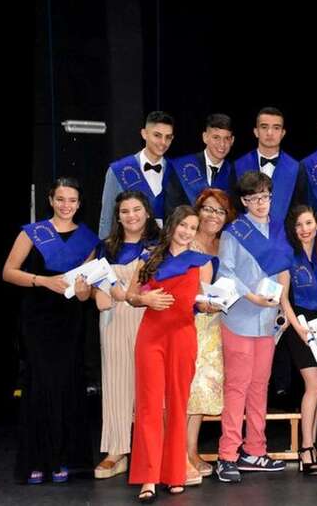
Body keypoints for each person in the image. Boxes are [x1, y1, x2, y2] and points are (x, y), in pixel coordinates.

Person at [3, 177, 99, 484]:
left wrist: (84, 289)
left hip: (70, 320)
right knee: (40, 386)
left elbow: (86, 295)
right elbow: (8, 272)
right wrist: (43, 281)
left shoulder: (87, 238)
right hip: (38, 318)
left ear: (79, 204)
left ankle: (63, 460)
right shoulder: (33, 232)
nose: (66, 205)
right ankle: (37, 460)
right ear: (50, 200)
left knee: (68, 386)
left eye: (72, 200)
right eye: (60, 199)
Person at [125, 206, 217, 501]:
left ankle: (175, 472)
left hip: (183, 337)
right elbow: (130, 295)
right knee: (150, 405)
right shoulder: (149, 255)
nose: (188, 232)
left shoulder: (202, 262)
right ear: (173, 225)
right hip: (151, 337)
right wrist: (144, 298)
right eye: (184, 225)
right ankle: (148, 477)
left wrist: (210, 305)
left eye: (193, 227)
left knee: (178, 404)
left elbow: (204, 301)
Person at [214, 172, 292, 483]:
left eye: (266, 197)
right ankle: (227, 454)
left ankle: (255, 449)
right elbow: (226, 272)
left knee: (260, 386)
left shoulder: (277, 227)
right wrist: (252, 297)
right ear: (244, 201)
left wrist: (281, 307)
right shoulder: (234, 232)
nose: (261, 203)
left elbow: (285, 267)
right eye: (254, 198)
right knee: (237, 387)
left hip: (268, 320)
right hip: (240, 315)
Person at [92, 191, 160, 480]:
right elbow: (97, 285)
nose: (131, 216)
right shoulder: (106, 247)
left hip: (151, 318)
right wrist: (104, 291)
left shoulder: (159, 246)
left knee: (153, 388)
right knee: (117, 384)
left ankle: (153, 449)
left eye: (136, 209)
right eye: (124, 211)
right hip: (115, 320)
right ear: (117, 216)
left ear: (147, 212)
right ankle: (116, 450)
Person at [186, 189, 236, 481]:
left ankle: (191, 450)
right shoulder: (187, 241)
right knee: (186, 390)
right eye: (208, 209)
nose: (213, 216)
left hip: (215, 324)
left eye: (220, 211)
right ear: (198, 210)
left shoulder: (223, 244)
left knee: (202, 392)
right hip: (190, 323)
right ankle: (180, 453)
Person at [281, 205, 317, 475]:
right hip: (299, 323)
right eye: (299, 225)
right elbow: (282, 297)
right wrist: (297, 328)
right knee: (314, 385)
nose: (304, 229)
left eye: (309, 223)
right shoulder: (289, 254)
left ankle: (310, 447)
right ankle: (306, 447)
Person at [99, 111, 175, 238]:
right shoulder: (118, 170)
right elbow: (107, 219)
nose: (163, 142)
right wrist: (105, 254)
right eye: (157, 135)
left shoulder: (175, 170)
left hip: (166, 250)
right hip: (127, 251)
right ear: (144, 134)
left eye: (168, 137)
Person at [234, 107, 308, 224]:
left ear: (282, 133)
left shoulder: (296, 168)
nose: (270, 133)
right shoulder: (238, 165)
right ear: (256, 131)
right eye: (264, 127)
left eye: (276, 128)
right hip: (246, 237)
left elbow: (300, 209)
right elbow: (235, 208)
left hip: (285, 239)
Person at [164, 113, 236, 216]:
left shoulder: (235, 172)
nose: (222, 144)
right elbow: (172, 211)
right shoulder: (181, 166)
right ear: (205, 137)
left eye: (227, 138)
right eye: (216, 137)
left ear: (232, 141)